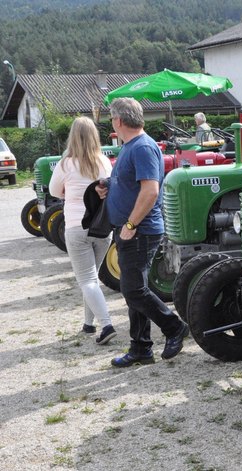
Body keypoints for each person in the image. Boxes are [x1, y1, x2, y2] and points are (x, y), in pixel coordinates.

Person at [98, 97, 188, 367]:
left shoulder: (142, 147)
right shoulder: (132, 146)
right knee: (135, 289)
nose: (111, 122)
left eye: (112, 118)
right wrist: (107, 185)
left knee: (134, 290)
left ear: (119, 120)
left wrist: (130, 225)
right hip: (131, 229)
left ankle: (174, 327)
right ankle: (140, 347)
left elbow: (150, 190)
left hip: (139, 230)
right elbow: (133, 185)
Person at [49, 117, 117, 345]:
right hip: (101, 228)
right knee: (92, 278)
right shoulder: (104, 161)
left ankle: (106, 324)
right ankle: (89, 324)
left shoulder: (66, 163)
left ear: (72, 137)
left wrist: (70, 192)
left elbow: (54, 190)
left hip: (77, 226)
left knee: (87, 279)